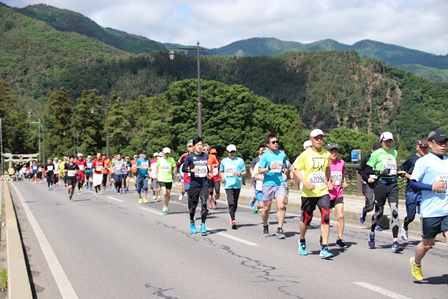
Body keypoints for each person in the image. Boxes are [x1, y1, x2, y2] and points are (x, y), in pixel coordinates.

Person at [408, 130, 448, 281]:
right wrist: (432, 187)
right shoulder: (423, 162)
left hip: (446, 209)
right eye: (440, 142)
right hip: (431, 211)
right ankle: (416, 263)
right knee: (427, 245)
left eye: (445, 142)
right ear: (430, 144)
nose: (443, 145)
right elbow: (413, 183)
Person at [293, 129, 334, 258]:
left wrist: (328, 181)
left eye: (321, 137)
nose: (319, 140)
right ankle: (302, 240)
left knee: (326, 217)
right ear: (311, 139)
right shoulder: (305, 155)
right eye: (317, 138)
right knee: (306, 220)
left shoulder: (326, 154)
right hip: (308, 193)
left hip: (322, 191)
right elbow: (294, 169)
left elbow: (327, 168)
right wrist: (305, 182)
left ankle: (325, 247)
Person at [365, 132, 402, 252]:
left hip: (392, 184)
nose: (389, 144)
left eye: (390, 141)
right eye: (386, 141)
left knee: (395, 211)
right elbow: (367, 169)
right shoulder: (376, 154)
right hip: (381, 185)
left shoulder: (394, 152)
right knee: (379, 212)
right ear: (381, 141)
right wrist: (380, 172)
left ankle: (395, 241)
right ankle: (372, 232)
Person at [257, 133, 288, 239]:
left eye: (277, 142)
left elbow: (284, 166)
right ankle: (265, 225)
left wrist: (285, 170)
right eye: (273, 142)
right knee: (266, 208)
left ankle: (280, 229)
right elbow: (260, 170)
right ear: (268, 144)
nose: (276, 144)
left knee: (281, 206)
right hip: (268, 184)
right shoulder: (265, 156)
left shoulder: (282, 155)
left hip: (279, 183)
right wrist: (270, 168)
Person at [400, 139, 429, 241]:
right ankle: (405, 225)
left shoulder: (430, 160)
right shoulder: (412, 159)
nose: (424, 150)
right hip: (412, 191)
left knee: (424, 215)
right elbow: (401, 171)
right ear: (417, 147)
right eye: (422, 148)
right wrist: (411, 177)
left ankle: (424, 236)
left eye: (426, 148)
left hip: (424, 192)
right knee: (411, 216)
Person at [182, 136, 210, 236]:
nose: (199, 147)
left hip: (204, 183)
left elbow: (207, 167)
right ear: (194, 146)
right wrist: (191, 170)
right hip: (194, 184)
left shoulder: (206, 156)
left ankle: (203, 225)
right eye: (197, 145)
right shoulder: (190, 157)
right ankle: (192, 221)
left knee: (204, 203)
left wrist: (209, 172)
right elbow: (184, 169)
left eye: (201, 145)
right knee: (192, 207)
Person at [327, 143, 348, 248]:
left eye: (336, 151)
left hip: (338, 193)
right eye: (332, 151)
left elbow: (342, 173)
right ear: (328, 152)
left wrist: (344, 181)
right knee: (326, 218)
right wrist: (328, 183)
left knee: (341, 216)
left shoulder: (341, 162)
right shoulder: (326, 163)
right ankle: (323, 234)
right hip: (326, 194)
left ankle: (339, 238)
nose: (334, 153)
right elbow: (321, 176)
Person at [220, 144, 246, 229]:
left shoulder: (240, 161)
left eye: (233, 152)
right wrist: (222, 177)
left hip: (237, 184)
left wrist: (239, 174)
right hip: (228, 184)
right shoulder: (224, 161)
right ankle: (233, 219)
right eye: (230, 152)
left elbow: (244, 172)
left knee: (235, 203)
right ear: (227, 152)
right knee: (231, 203)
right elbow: (221, 171)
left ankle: (232, 214)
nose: (232, 153)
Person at [358, 142, 383, 224]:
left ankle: (377, 223)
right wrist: (367, 178)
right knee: (370, 205)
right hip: (368, 184)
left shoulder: (382, 159)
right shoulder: (367, 159)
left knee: (379, 204)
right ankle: (364, 211)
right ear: (372, 150)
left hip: (379, 183)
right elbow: (360, 170)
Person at [156, 147, 176, 214]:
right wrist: (156, 174)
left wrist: (175, 173)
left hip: (169, 178)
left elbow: (174, 167)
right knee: (164, 193)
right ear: (163, 153)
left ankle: (166, 205)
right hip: (162, 178)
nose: (167, 154)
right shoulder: (160, 159)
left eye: (168, 153)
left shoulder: (171, 159)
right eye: (165, 153)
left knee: (168, 194)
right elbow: (157, 166)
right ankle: (164, 206)